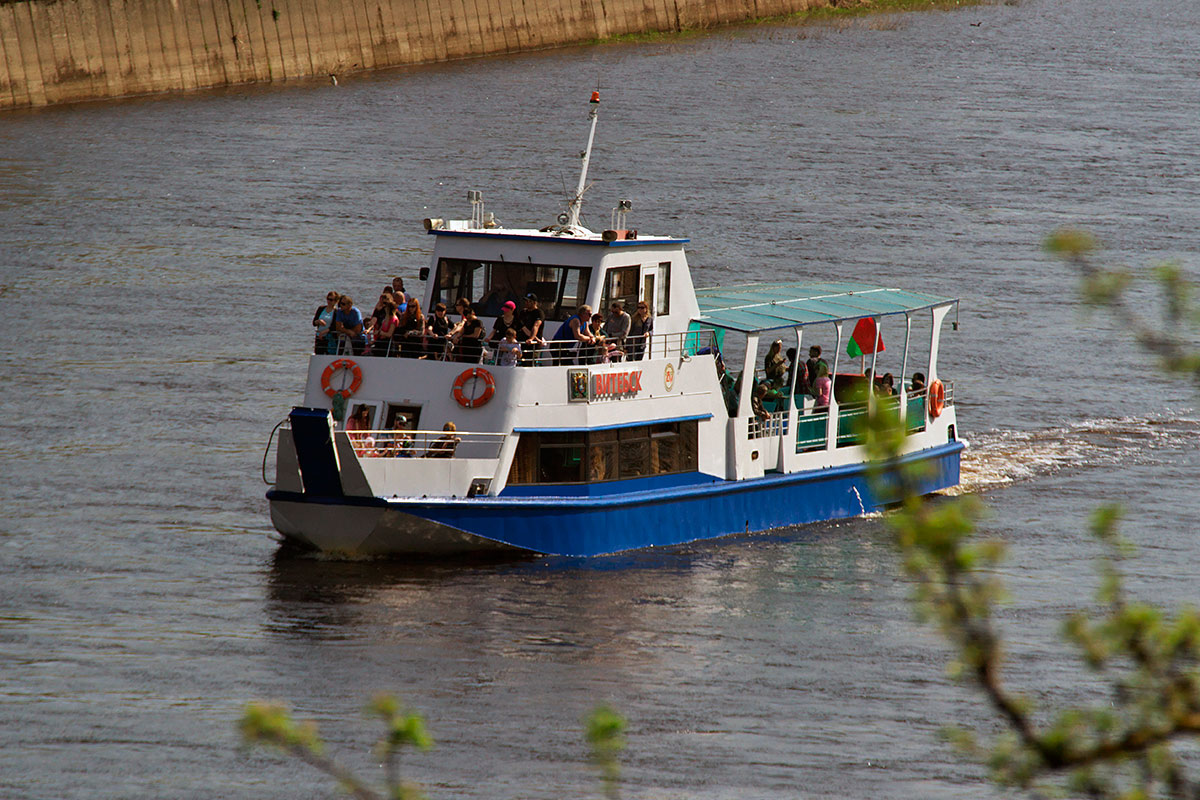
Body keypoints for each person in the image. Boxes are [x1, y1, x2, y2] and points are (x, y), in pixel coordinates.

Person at [518, 293, 546, 364]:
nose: (526, 303)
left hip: (532, 345)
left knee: (529, 363)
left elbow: (536, 325)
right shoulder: (523, 312)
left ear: (534, 303)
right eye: (526, 301)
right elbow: (521, 326)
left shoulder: (539, 313)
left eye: (529, 301)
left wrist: (531, 338)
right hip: (522, 343)